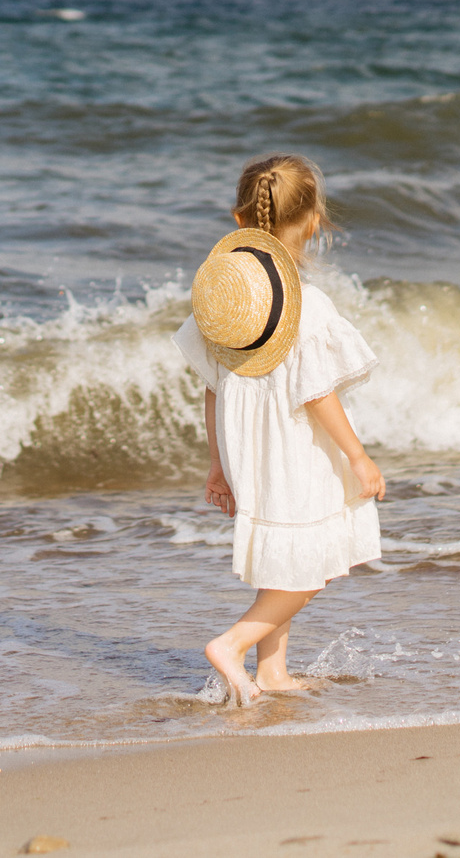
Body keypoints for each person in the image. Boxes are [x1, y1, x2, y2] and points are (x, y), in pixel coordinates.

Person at [172, 153, 385, 707]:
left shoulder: (223, 304)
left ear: (239, 220)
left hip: (246, 448)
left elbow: (212, 387)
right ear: (314, 222)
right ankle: (231, 645)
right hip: (294, 449)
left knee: (283, 559)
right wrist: (357, 456)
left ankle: (272, 672)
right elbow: (317, 393)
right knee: (309, 568)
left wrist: (217, 464)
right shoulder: (307, 306)